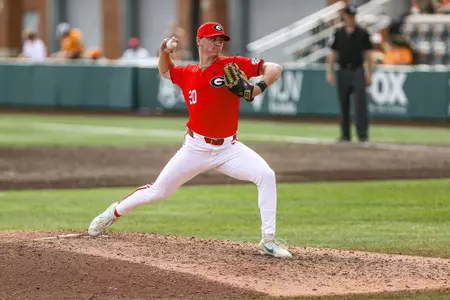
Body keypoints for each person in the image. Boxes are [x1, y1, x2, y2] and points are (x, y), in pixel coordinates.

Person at [88, 22, 292, 258]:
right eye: (213, 38)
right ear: (199, 41)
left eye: (221, 39)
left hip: (229, 148)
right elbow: (165, 71)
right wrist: (164, 51)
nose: (218, 43)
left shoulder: (232, 64)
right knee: (158, 191)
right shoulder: (188, 74)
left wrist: (257, 88)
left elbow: (275, 68)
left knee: (266, 175)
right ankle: (111, 213)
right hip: (195, 147)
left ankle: (268, 240)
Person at [326, 4, 373, 143]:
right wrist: (329, 71)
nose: (351, 18)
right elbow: (333, 53)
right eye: (349, 16)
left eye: (353, 16)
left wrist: (369, 73)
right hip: (343, 70)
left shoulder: (362, 33)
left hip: (358, 70)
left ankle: (362, 135)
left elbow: (368, 54)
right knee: (343, 104)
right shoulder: (338, 33)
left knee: (360, 105)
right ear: (345, 16)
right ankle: (345, 135)